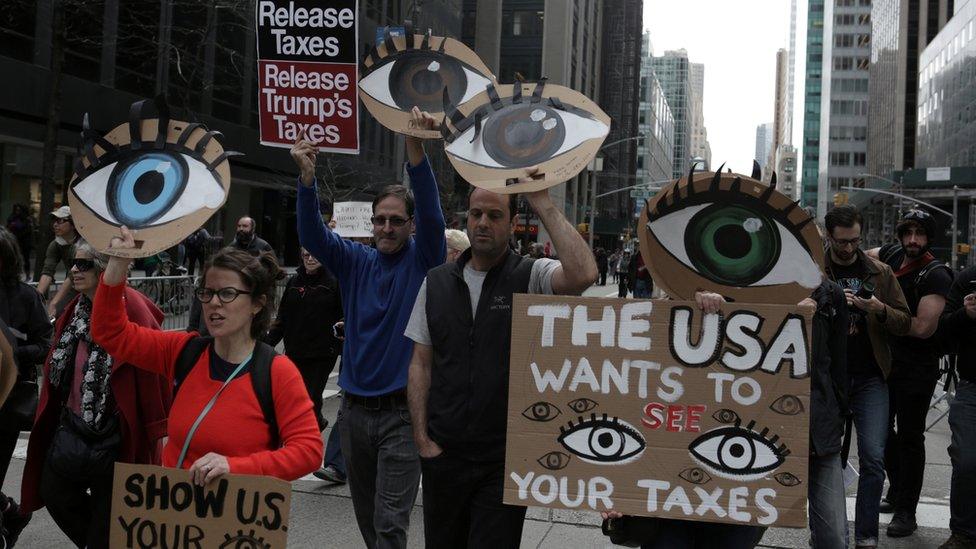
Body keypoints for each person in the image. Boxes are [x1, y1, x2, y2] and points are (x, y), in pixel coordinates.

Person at [405, 182, 598, 548]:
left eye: (495, 216)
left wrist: (544, 203)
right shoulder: (436, 282)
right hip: (444, 457)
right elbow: (420, 363)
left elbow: (583, 273)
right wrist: (422, 440)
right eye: (476, 214)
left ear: (511, 224)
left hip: (505, 462)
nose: (483, 223)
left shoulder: (531, 275)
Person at [292, 107, 446, 548]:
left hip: (402, 415)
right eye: (380, 219)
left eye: (397, 220)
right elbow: (313, 236)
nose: (386, 227)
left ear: (411, 226)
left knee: (388, 525)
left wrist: (415, 147)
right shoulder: (356, 261)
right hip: (353, 414)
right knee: (367, 522)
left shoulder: (424, 258)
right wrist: (307, 180)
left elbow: (434, 214)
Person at [90, 228, 323, 486]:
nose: (213, 303)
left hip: (235, 520)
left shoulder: (277, 372)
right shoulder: (184, 351)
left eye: (227, 293)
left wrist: (234, 467)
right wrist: (117, 263)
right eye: (207, 293)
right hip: (173, 515)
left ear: (257, 304)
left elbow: (309, 451)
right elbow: (110, 333)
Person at [19, 239, 172, 549]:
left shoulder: (134, 306)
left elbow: (155, 372)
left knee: (109, 511)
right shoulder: (75, 308)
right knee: (54, 491)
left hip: (118, 432)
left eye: (84, 264)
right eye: (73, 263)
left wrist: (158, 428)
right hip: (73, 428)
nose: (74, 270)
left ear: (105, 267)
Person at [823, 205, 910, 548]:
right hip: (828, 376)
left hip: (871, 377)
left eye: (855, 241)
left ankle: (866, 536)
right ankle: (828, 532)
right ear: (829, 236)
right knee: (827, 457)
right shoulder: (815, 268)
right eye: (842, 242)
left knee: (873, 457)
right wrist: (829, 302)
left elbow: (904, 321)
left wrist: (877, 309)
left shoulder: (879, 271)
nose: (848, 248)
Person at [866, 209, 952, 537]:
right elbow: (858, 255)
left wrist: (878, 309)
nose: (913, 240)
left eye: (920, 234)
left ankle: (907, 510)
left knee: (910, 437)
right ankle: (897, 488)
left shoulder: (935, 274)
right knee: (880, 432)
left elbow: (921, 329)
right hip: (884, 361)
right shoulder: (891, 254)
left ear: (929, 238)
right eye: (908, 232)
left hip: (917, 366)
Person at [264, 247, 343, 478]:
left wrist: (340, 328)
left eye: (314, 254)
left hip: (322, 352)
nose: (309, 258)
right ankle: (315, 420)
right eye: (306, 255)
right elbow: (282, 318)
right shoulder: (293, 282)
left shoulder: (333, 282)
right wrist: (268, 343)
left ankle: (305, 444)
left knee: (309, 396)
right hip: (295, 350)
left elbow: (343, 313)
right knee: (294, 397)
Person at [0, 227, 51, 546]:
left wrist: (10, 352)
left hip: (8, 404)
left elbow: (45, 343)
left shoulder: (25, 296)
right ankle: (10, 510)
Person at [936, 265, 976, 549]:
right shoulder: (968, 278)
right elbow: (944, 328)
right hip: (972, 385)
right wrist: (967, 314)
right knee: (966, 460)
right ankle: (962, 532)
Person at [36, 206, 78, 318]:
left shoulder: (82, 244)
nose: (55, 224)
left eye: (60, 221)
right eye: (54, 221)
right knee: (58, 315)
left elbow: (72, 275)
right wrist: (36, 297)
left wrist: (54, 302)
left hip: (93, 285)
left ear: (73, 224)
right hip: (74, 284)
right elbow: (47, 271)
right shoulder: (55, 245)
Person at [5, 204, 32, 276]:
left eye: (19, 210)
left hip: (25, 242)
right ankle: (16, 274)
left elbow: (28, 230)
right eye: (16, 210)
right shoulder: (12, 218)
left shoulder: (26, 219)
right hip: (15, 241)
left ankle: (27, 275)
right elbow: (8, 228)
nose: (18, 212)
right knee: (15, 259)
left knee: (26, 259)